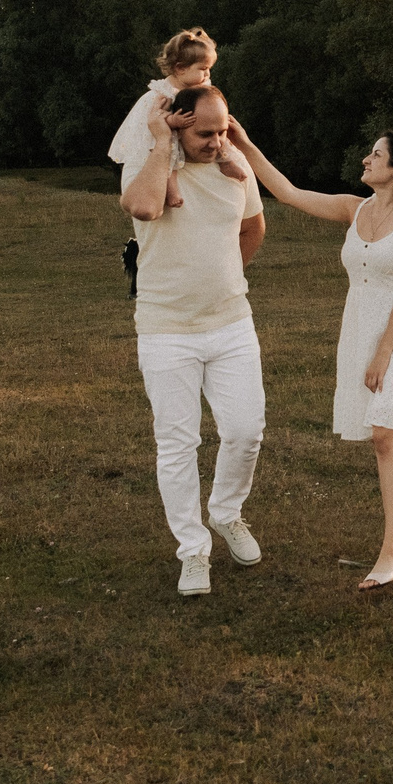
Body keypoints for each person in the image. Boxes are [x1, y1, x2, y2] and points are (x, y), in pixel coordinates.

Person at [227, 119, 393, 590]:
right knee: (381, 435)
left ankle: (392, 553)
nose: (366, 159)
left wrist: (384, 353)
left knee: (386, 434)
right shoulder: (353, 208)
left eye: (376, 155)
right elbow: (286, 192)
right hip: (359, 328)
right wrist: (245, 141)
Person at [119, 83, 268, 596]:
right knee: (177, 444)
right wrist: (162, 144)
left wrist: (222, 279)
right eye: (204, 132)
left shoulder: (235, 167)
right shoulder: (153, 163)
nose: (216, 140)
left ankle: (227, 514)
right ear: (179, 123)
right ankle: (193, 550)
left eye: (222, 129)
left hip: (231, 323)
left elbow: (254, 230)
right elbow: (140, 208)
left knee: (247, 431)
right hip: (165, 329)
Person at [109, 28, 250, 208]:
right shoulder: (163, 94)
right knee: (169, 156)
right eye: (203, 69)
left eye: (209, 69)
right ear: (181, 68)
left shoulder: (198, 85)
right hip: (165, 133)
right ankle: (172, 189)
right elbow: (156, 119)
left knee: (218, 137)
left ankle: (225, 162)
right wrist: (173, 122)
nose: (207, 75)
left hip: (188, 133)